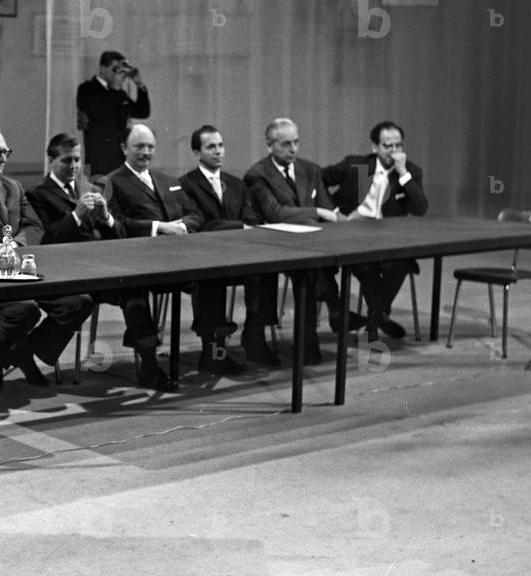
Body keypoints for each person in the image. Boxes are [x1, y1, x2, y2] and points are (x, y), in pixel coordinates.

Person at [0, 126, 94, 387]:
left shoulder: (13, 187)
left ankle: (11, 353)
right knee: (24, 309)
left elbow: (35, 227)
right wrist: (4, 249)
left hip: (22, 272)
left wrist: (13, 245)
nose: (3, 157)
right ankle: (6, 358)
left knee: (78, 301)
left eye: (6, 151)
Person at [106, 123, 244, 383]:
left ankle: (214, 354)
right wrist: (160, 228)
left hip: (177, 261)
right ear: (124, 148)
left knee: (211, 277)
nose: (146, 152)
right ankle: (148, 364)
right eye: (139, 147)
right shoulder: (111, 182)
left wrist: (181, 226)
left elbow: (195, 215)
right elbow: (116, 224)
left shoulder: (168, 180)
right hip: (137, 263)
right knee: (133, 289)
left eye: (150, 147)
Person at [243, 117, 365, 365]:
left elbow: (327, 207)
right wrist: (316, 212)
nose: (293, 149)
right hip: (272, 244)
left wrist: (325, 215)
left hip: (310, 247)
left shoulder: (310, 169)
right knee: (312, 268)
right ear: (269, 146)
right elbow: (275, 213)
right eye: (285, 144)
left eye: (296, 142)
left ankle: (313, 335)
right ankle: (329, 315)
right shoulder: (257, 175)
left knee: (311, 270)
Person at [179, 125, 280, 368]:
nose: (218, 151)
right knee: (209, 277)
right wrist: (238, 227)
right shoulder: (185, 184)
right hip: (204, 256)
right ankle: (213, 352)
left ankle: (255, 338)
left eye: (220, 146)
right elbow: (199, 224)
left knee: (267, 270)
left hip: (239, 255)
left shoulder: (236, 183)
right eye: (210, 147)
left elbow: (252, 219)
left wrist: (243, 228)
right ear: (197, 152)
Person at [322, 121, 428, 340]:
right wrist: (335, 212)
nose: (394, 151)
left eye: (398, 146)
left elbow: (420, 209)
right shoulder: (356, 165)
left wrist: (403, 173)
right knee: (367, 263)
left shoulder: (411, 172)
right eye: (387, 146)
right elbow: (317, 179)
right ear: (375, 147)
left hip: (387, 239)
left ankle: (375, 316)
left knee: (404, 261)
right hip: (353, 234)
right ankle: (379, 316)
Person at [26, 132, 121, 243]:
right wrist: (76, 216)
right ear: (51, 161)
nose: (73, 166)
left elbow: (120, 236)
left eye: (77, 160)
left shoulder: (94, 190)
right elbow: (43, 238)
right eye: (67, 160)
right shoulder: (36, 194)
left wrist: (106, 217)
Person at [76, 50, 151, 176]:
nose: (119, 74)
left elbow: (143, 112)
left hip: (120, 159)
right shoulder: (87, 89)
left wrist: (139, 84)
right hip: (99, 160)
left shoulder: (119, 94)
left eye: (121, 70)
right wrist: (116, 89)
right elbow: (100, 115)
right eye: (115, 69)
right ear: (102, 69)